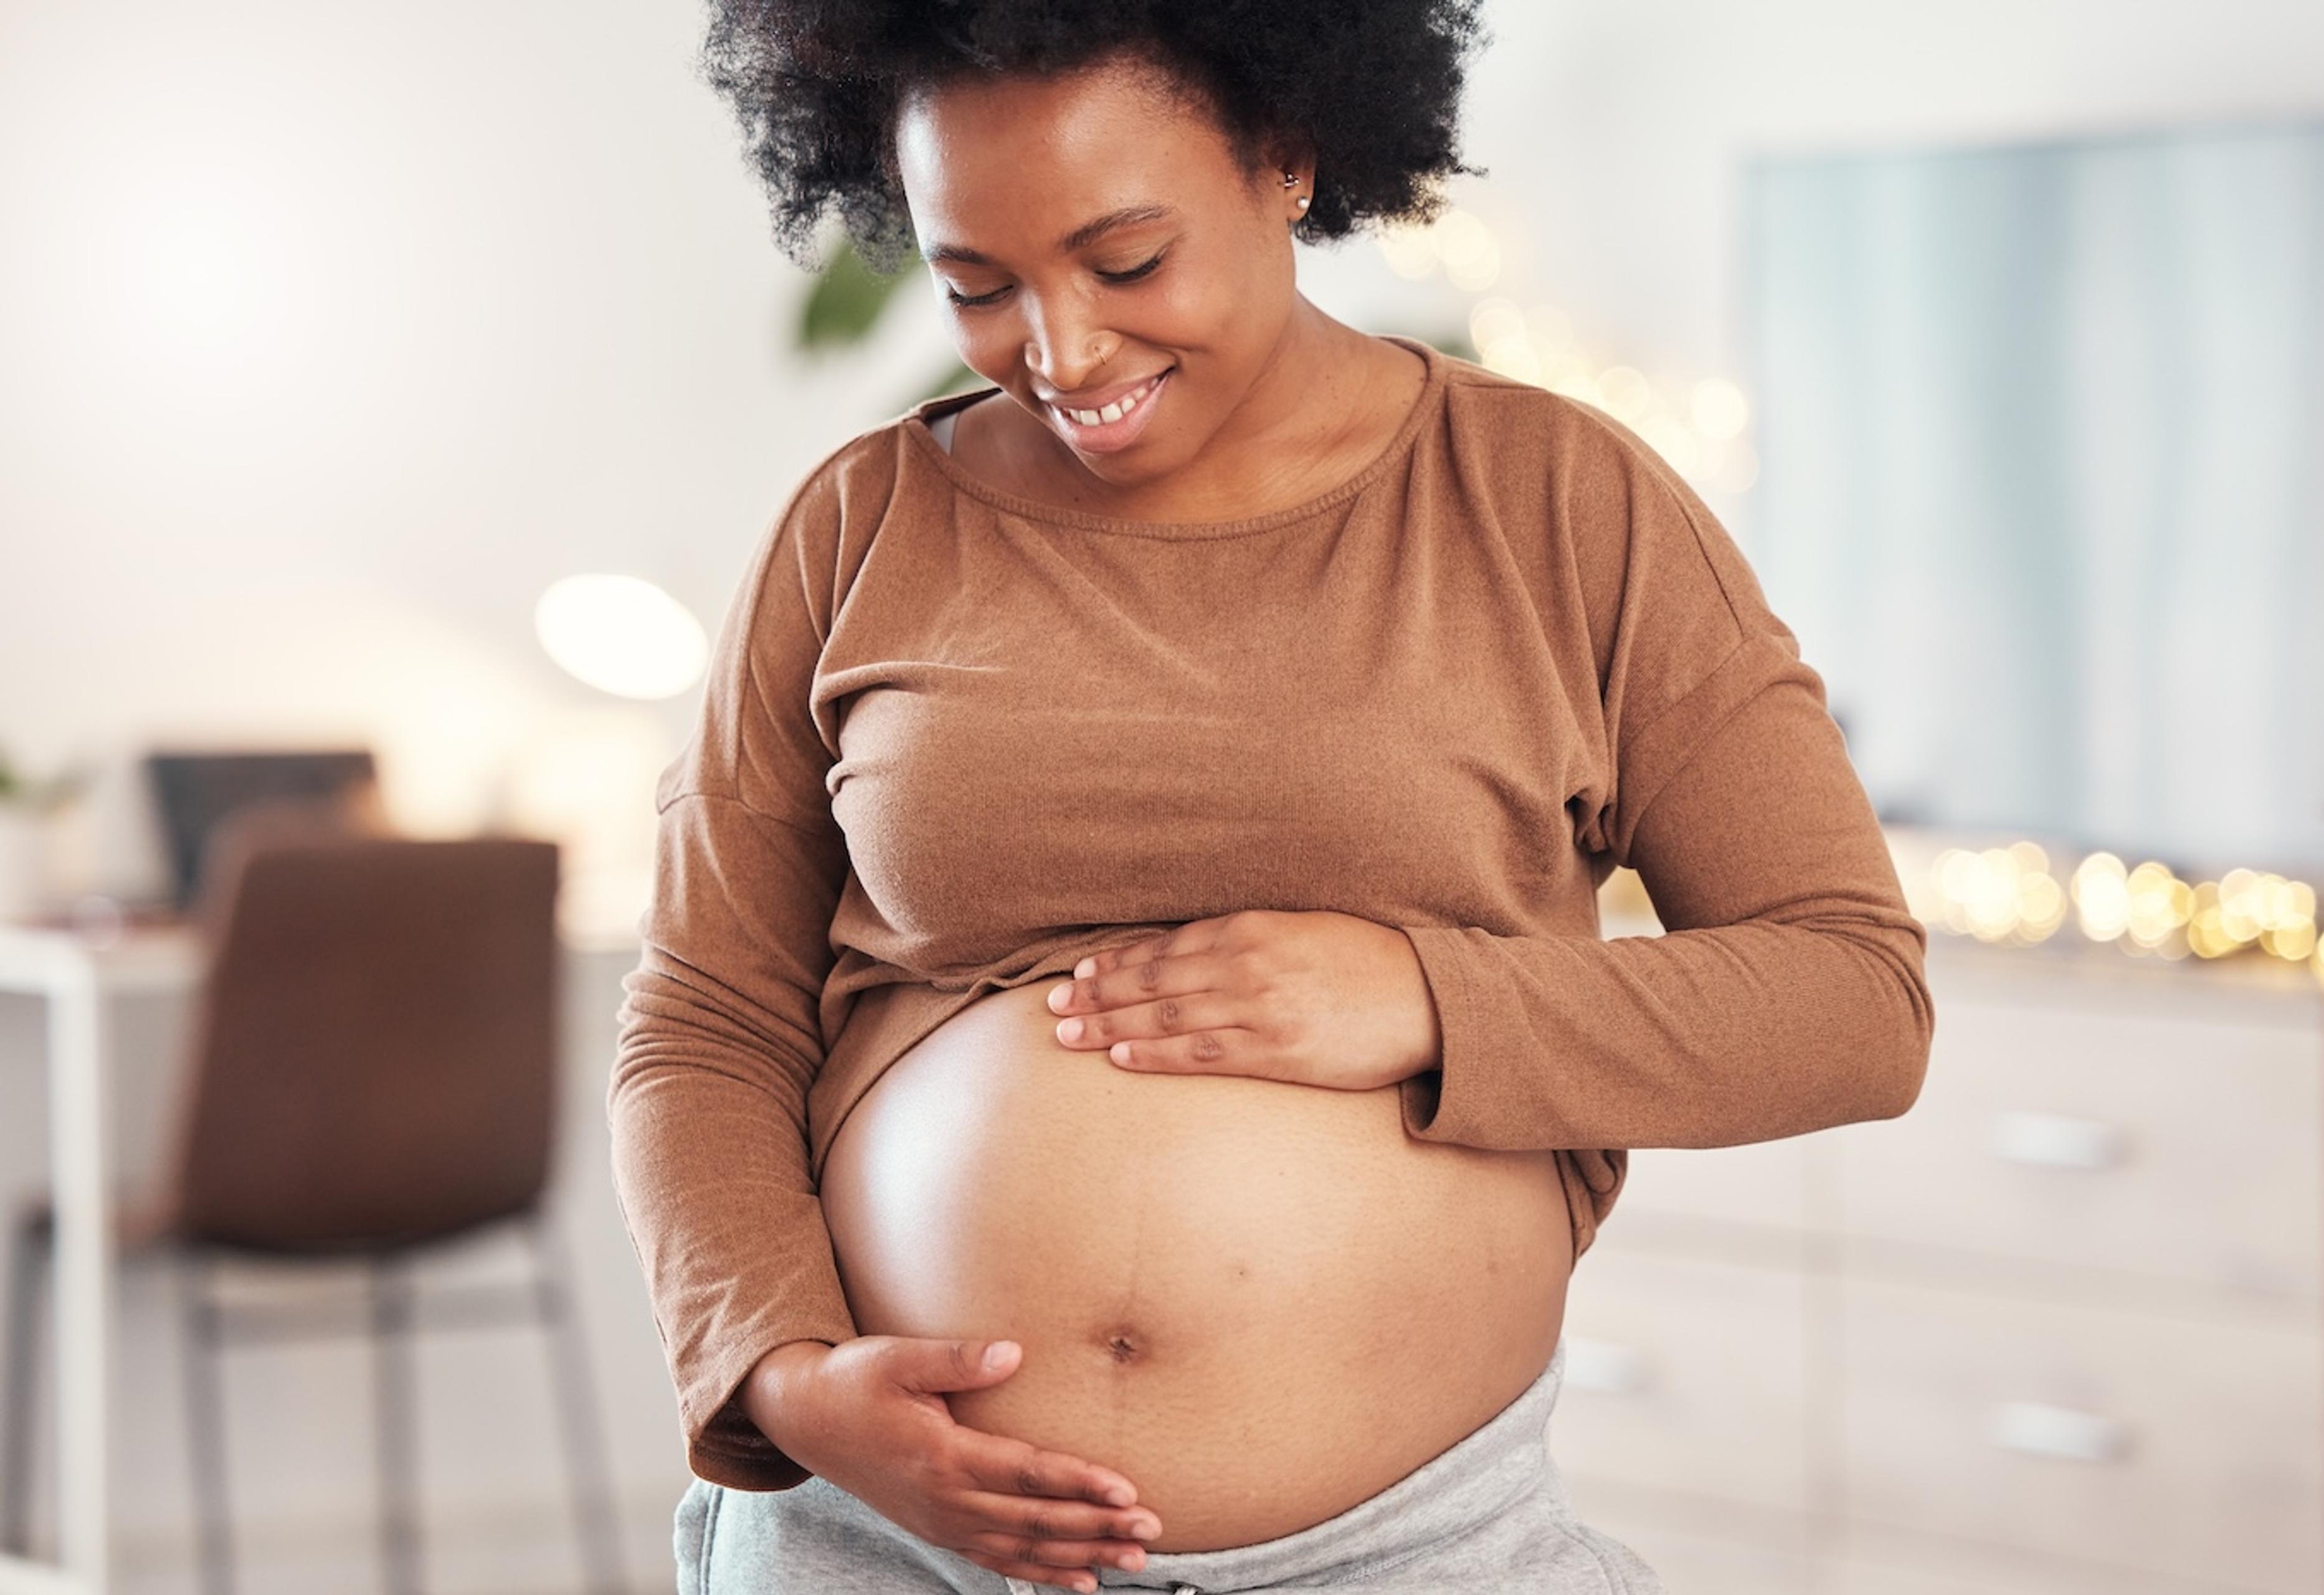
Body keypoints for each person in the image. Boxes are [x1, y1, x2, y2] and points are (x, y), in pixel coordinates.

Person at [610, 2, 1936, 1591]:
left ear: (1287, 157)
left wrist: (1427, 1000)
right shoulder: (856, 527)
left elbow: (1854, 1000)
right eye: (978, 286)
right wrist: (780, 1377)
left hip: (1412, 1557)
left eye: (1125, 261)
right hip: (885, 1545)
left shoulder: (1564, 505)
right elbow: (703, 1016)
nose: (1061, 352)